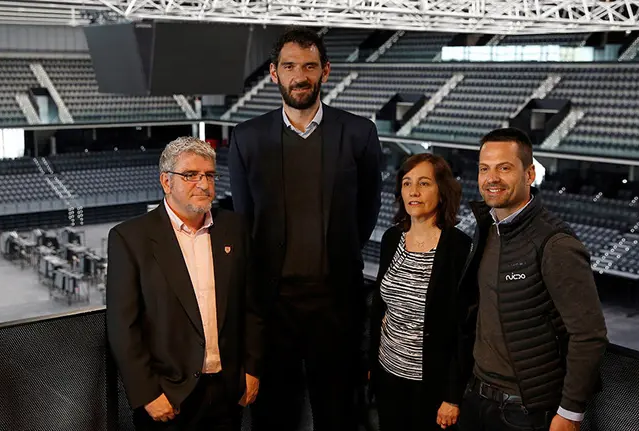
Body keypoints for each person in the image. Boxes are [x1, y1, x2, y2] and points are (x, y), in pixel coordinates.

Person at [227, 27, 382, 431]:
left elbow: (367, 210)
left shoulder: (359, 133)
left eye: (310, 66)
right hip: (271, 308)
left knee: (338, 415)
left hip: (335, 305)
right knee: (274, 416)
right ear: (274, 74)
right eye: (290, 66)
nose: (300, 75)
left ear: (325, 72)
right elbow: (245, 218)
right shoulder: (246, 138)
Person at [106, 137, 263, 431]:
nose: (204, 184)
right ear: (166, 181)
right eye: (191, 175)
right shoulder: (131, 238)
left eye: (209, 175)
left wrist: (252, 369)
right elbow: (123, 326)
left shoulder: (235, 229)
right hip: (168, 397)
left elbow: (251, 307)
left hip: (229, 390)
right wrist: (147, 393)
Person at [458, 128, 608, 431]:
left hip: (524, 411)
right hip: (476, 396)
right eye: (484, 169)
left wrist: (570, 413)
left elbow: (589, 335)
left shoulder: (556, 244)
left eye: (504, 167)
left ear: (529, 174)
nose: (492, 178)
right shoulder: (488, 227)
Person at [368, 153, 472, 431]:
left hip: (430, 384)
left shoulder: (459, 247)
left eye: (424, 183)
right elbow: (380, 305)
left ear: (442, 190)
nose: (413, 191)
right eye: (406, 183)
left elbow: (464, 329)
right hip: (387, 373)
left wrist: (452, 396)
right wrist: (372, 362)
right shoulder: (392, 238)